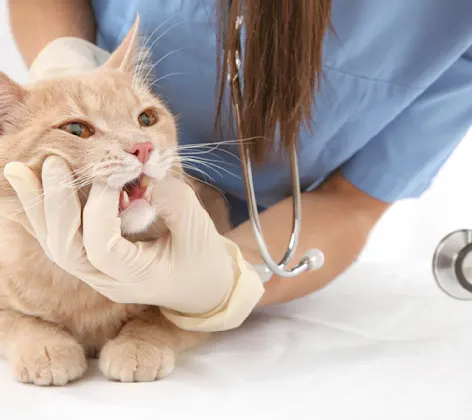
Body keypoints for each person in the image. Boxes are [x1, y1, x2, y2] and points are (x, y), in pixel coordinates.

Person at [5, 0, 472, 331]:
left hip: (274, 231)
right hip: (93, 140)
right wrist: (62, 64)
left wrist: (229, 280)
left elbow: (352, 203)